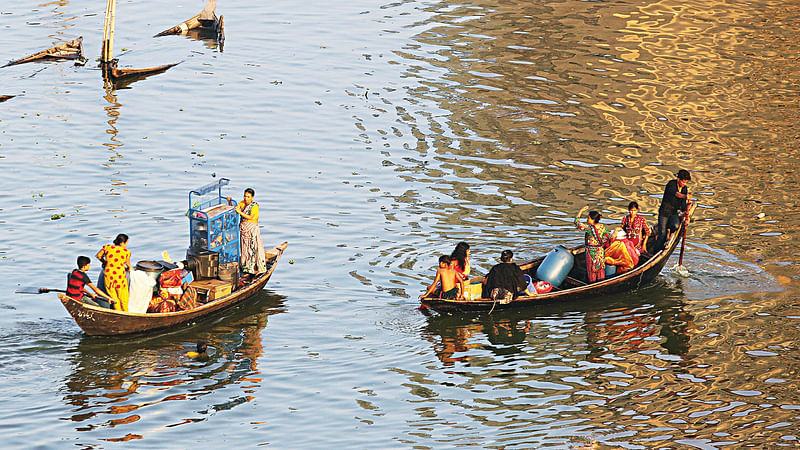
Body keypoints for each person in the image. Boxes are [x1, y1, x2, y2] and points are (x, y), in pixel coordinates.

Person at [228, 188, 266, 278]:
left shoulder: (255, 206)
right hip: (243, 230)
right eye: (245, 196)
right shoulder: (242, 203)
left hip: (251, 230)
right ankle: (246, 268)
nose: (246, 198)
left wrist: (240, 212)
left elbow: (250, 217)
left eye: (248, 197)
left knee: (253, 249)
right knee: (245, 249)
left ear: (252, 197)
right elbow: (235, 208)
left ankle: (257, 269)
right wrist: (230, 202)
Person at [655, 170, 692, 251]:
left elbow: (683, 204)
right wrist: (685, 196)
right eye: (683, 182)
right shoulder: (671, 184)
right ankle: (656, 251)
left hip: (674, 213)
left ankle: (669, 234)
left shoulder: (684, 188)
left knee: (675, 225)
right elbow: (677, 194)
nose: (684, 184)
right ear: (678, 179)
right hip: (664, 212)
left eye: (685, 182)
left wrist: (686, 214)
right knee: (662, 234)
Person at [575, 207, 613, 283]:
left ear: (593, 220)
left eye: (588, 218)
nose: (587, 220)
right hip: (600, 252)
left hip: (591, 253)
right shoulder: (602, 227)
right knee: (600, 270)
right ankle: (601, 283)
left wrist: (581, 211)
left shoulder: (589, 229)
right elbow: (609, 237)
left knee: (591, 270)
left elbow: (577, 223)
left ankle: (592, 284)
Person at [96, 233, 131, 311]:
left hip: (109, 275)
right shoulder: (126, 252)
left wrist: (104, 262)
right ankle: (125, 313)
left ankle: (118, 312)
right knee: (123, 297)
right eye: (126, 242)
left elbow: (98, 255)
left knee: (114, 297)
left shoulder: (107, 247)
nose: (126, 244)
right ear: (122, 243)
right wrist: (130, 268)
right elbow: (128, 264)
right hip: (119, 277)